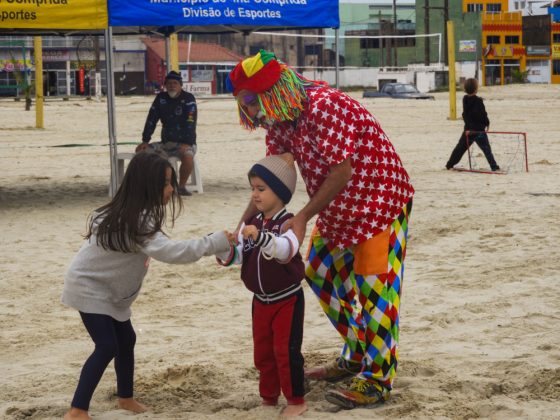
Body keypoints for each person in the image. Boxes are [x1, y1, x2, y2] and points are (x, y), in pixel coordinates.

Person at [226, 50, 414, 409]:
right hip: (336, 209)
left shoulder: (324, 106)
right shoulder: (279, 122)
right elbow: (273, 178)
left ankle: (377, 379)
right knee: (319, 275)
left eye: (251, 101)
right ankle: (358, 353)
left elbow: (340, 172)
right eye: (242, 104)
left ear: (275, 90)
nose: (250, 112)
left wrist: (303, 217)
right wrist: (243, 224)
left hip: (379, 204)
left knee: (374, 290)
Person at [61, 152, 233, 420]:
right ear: (146, 186)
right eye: (166, 183)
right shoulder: (136, 222)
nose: (171, 190)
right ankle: (77, 410)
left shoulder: (132, 214)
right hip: (89, 289)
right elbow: (174, 252)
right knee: (107, 346)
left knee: (126, 339)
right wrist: (215, 241)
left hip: (110, 294)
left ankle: (125, 398)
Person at [217, 154, 307, 417]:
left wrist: (261, 238)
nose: (254, 195)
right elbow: (240, 256)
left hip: (287, 299)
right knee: (263, 351)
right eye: (252, 189)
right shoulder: (253, 223)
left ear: (279, 192)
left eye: (261, 189)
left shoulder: (288, 223)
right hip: (260, 301)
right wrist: (226, 250)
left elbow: (285, 250)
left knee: (286, 351)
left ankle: (296, 400)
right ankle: (268, 397)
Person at [137, 71, 197, 196]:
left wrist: (187, 143)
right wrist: (145, 140)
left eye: (175, 83)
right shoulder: (161, 98)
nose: (172, 86)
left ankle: (181, 187)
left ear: (181, 85)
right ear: (165, 85)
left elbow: (191, 122)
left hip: (185, 142)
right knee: (142, 153)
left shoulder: (188, 98)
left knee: (188, 156)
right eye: (169, 83)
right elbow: (151, 119)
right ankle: (152, 186)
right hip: (165, 143)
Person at [446, 77, 500, 171]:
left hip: (468, 129)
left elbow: (466, 114)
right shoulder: (478, 101)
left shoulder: (465, 99)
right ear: (476, 89)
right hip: (478, 130)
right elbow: (483, 114)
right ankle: (494, 167)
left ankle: (449, 164)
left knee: (460, 148)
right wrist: (487, 123)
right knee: (487, 150)